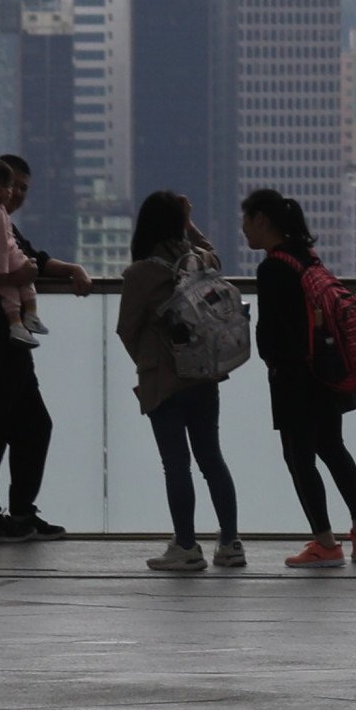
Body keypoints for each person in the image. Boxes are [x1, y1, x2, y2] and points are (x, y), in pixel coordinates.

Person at [0, 154, 89, 541]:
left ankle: (21, 512)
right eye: (14, 186)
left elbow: (36, 260)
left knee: (33, 424)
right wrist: (17, 275)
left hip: (13, 342)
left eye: (24, 188)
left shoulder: (4, 223)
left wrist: (72, 269)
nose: (18, 195)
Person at [245, 188, 356, 568]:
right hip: (327, 368)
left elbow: (272, 332)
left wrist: (269, 357)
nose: (243, 230)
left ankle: (325, 543)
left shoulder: (272, 267)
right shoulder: (306, 257)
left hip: (294, 378)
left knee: (298, 458)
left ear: (260, 219)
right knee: (333, 448)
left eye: (246, 220)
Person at [117, 190, 245, 572]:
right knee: (212, 459)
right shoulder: (196, 260)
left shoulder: (140, 274)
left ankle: (187, 546)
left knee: (176, 465)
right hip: (204, 374)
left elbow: (127, 329)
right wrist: (189, 224)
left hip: (164, 380)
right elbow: (214, 254)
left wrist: (148, 362)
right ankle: (230, 542)